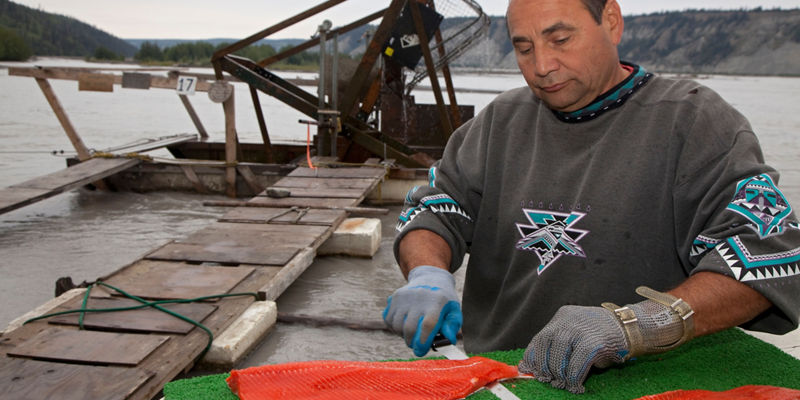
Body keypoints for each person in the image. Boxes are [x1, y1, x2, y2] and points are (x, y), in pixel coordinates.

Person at [382, 0, 800, 394]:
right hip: (497, 379)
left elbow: (770, 253)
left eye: (560, 40)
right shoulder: (497, 123)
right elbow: (434, 211)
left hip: (645, 385)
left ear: (612, 22)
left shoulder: (696, 122)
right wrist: (427, 272)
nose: (542, 66)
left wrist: (638, 325)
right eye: (523, 48)